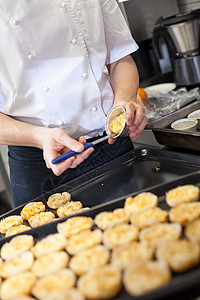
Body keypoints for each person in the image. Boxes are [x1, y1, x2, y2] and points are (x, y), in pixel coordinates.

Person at [0, 0, 148, 207]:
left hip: (111, 142)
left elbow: (120, 57)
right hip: (39, 161)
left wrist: (124, 101)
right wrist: (38, 137)